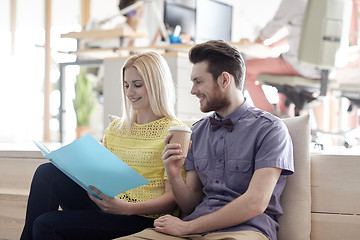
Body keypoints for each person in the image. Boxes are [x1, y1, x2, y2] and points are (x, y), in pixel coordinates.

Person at [117, 40, 294, 240]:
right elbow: (190, 204)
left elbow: (256, 202)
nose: (193, 90)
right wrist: (174, 175)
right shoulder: (197, 132)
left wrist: (187, 227)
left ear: (224, 80)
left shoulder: (270, 130)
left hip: (244, 231)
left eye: (199, 82)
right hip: (194, 230)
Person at [20, 51, 186, 240]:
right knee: (46, 172)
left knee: (45, 224)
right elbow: (102, 174)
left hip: (141, 216)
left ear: (157, 85)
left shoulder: (175, 132)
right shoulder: (116, 128)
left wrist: (126, 208)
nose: (130, 92)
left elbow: (173, 198)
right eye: (126, 85)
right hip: (107, 204)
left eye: (137, 85)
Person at [245, 0, 321, 116]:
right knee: (282, 71)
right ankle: (285, 115)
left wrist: (257, 41)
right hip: (323, 71)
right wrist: (272, 45)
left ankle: (268, 118)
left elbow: (274, 26)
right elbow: (303, 33)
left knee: (244, 69)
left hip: (298, 66)